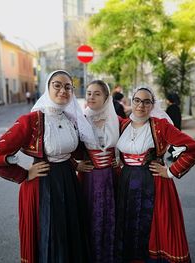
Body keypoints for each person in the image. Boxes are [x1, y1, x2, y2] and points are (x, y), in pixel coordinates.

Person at [0, 70, 94, 263]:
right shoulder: (31, 121)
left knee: (70, 234)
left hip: (69, 181)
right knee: (51, 236)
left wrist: (75, 165)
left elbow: (63, 151)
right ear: (47, 88)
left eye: (68, 87)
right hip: (43, 184)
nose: (63, 90)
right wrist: (23, 173)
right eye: (57, 85)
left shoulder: (70, 119)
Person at [115, 86, 195, 263]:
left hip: (153, 182)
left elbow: (192, 148)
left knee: (153, 226)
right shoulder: (123, 124)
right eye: (137, 100)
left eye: (147, 102)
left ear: (153, 105)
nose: (141, 105)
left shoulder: (161, 126)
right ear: (131, 102)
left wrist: (170, 171)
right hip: (126, 182)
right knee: (129, 224)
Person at [75, 80, 119, 263]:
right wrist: (75, 164)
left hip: (111, 177)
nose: (91, 97)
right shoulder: (79, 119)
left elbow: (131, 143)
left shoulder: (117, 120)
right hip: (89, 177)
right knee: (89, 216)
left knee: (111, 216)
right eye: (89, 93)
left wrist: (121, 159)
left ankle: (109, 255)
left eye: (97, 94)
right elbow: (63, 148)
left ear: (106, 97)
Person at [165, 93, 182, 161]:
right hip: (176, 128)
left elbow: (168, 119)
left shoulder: (171, 108)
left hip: (172, 129)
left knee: (169, 144)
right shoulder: (176, 107)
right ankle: (174, 155)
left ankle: (176, 155)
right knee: (173, 143)